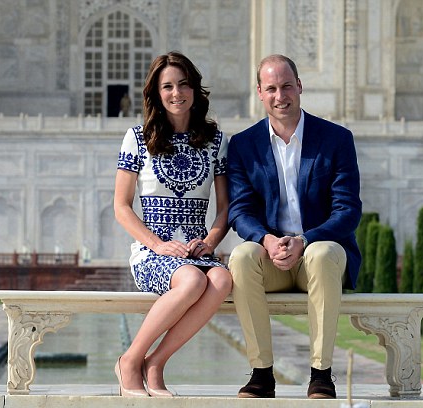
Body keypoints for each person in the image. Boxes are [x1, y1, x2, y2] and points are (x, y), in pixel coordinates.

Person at [227, 54, 362, 399]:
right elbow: (240, 212)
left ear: (299, 86)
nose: (280, 95)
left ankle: (321, 374)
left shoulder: (335, 140)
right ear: (259, 92)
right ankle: (261, 373)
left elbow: (347, 212)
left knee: (322, 251)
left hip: (318, 257)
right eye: (271, 88)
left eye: (287, 86)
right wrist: (266, 240)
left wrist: (305, 239)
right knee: (242, 257)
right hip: (272, 258)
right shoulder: (244, 146)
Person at [114, 51, 232, 397]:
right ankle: (130, 360)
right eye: (167, 86)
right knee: (193, 279)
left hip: (196, 251)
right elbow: (121, 207)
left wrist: (211, 240)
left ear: (195, 89)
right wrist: (157, 244)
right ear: (156, 93)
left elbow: (225, 208)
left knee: (222, 278)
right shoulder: (138, 138)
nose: (176, 93)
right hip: (154, 252)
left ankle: (156, 362)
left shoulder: (215, 142)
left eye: (183, 84)